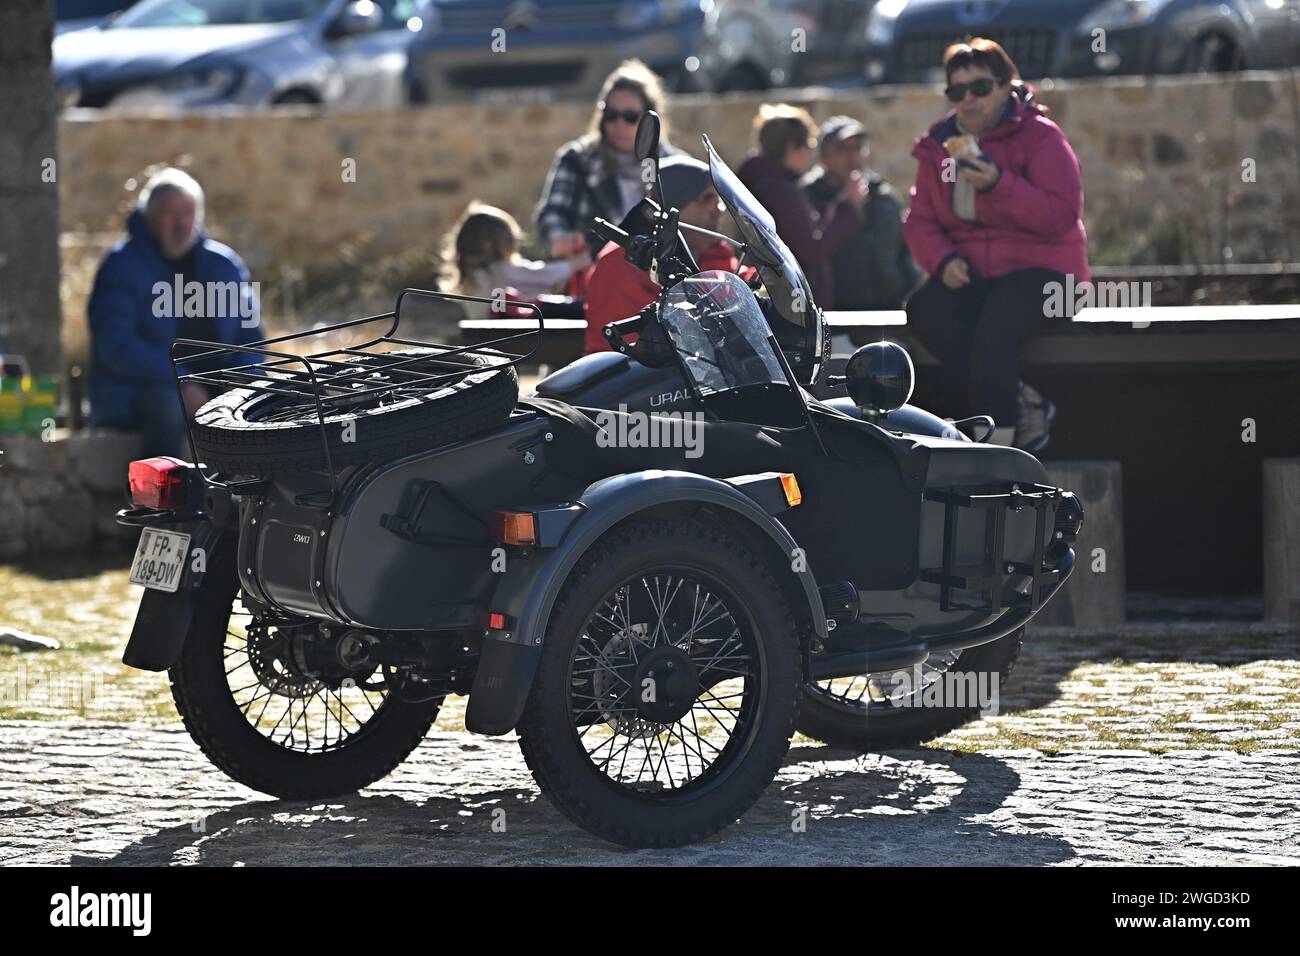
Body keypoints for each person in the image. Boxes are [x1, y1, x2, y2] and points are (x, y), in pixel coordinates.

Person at [902, 38, 1089, 451]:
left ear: (1007, 86)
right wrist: (942, 259)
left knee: (996, 325)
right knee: (924, 309)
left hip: (1051, 277)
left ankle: (997, 448)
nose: (968, 100)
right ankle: (1024, 401)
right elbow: (920, 222)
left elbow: (1061, 215)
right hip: (977, 276)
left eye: (981, 88)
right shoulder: (939, 146)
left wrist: (999, 185)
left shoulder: (1040, 137)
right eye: (957, 91)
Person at [88, 168, 263, 458]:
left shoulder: (224, 265)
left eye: (188, 213)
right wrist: (180, 381)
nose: (181, 223)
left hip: (215, 385)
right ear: (149, 217)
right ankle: (157, 500)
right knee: (168, 405)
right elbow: (116, 346)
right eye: (170, 214)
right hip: (139, 392)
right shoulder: (121, 267)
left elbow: (250, 334)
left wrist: (244, 375)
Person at [583, 156, 743, 355]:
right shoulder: (626, 259)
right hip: (630, 374)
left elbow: (733, 294)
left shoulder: (708, 250)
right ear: (674, 206)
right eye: (707, 199)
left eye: (718, 200)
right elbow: (643, 344)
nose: (719, 211)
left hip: (694, 373)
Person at [534, 59, 676, 264]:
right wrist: (561, 238)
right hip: (592, 279)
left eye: (630, 116)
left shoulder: (674, 166)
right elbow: (552, 215)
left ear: (651, 119)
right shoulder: (577, 159)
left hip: (657, 285)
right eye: (611, 114)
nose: (619, 124)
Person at [736, 103, 867, 303]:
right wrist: (849, 207)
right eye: (807, 146)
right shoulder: (778, 191)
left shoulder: (762, 183)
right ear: (791, 147)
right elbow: (813, 250)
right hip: (793, 305)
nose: (810, 154)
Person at [802, 116, 921, 311]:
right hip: (835, 317)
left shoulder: (883, 196)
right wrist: (848, 207)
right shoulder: (809, 197)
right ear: (824, 157)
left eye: (857, 148)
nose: (852, 157)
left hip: (888, 312)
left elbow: (905, 253)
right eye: (841, 149)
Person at [444, 203, 591, 319]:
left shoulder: (473, 275)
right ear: (490, 246)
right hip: (504, 333)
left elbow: (523, 291)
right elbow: (537, 275)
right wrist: (573, 264)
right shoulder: (495, 271)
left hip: (485, 334)